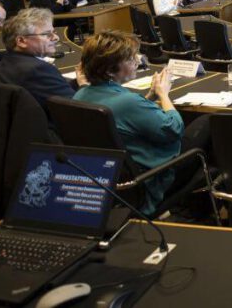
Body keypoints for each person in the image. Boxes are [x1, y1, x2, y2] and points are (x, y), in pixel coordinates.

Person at [74, 30, 210, 215]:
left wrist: (149, 97)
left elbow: (126, 121)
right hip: (150, 177)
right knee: (208, 122)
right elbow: (173, 129)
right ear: (109, 70)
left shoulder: (81, 94)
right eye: (130, 59)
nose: (138, 61)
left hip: (110, 179)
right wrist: (163, 94)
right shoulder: (127, 102)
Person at [0, 8, 80, 112]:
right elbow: (77, 106)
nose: (56, 38)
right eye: (47, 34)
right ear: (21, 41)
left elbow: (52, 90)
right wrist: (84, 85)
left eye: (53, 32)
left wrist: (77, 82)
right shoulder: (37, 70)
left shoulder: (8, 60)